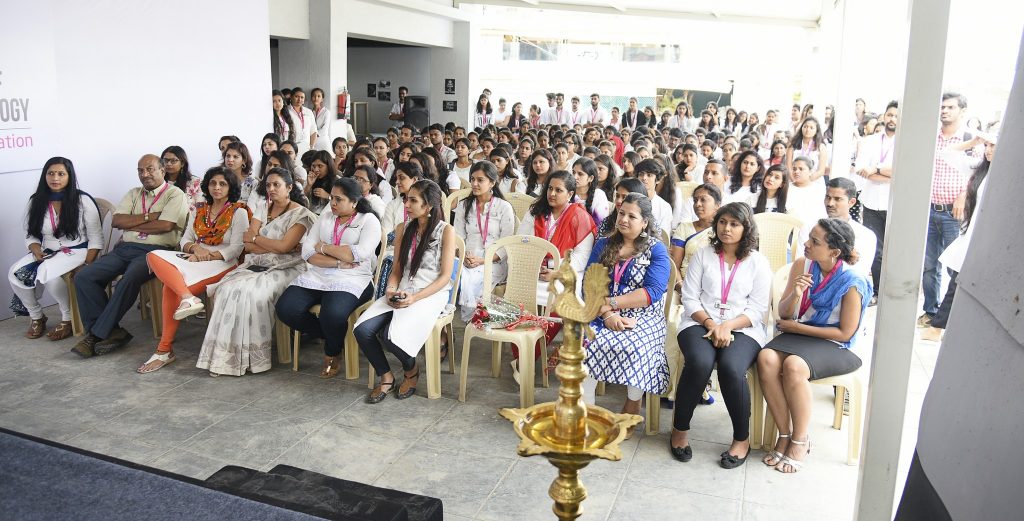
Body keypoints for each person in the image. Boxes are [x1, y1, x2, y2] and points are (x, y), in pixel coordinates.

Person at [758, 219, 872, 473]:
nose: (806, 244)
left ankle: (801, 439)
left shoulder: (852, 281)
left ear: (834, 252)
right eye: (809, 238)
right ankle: (784, 434)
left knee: (794, 366)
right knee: (766, 357)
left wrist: (798, 328)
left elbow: (845, 333)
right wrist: (796, 295)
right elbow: (784, 314)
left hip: (836, 344)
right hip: (800, 334)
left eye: (815, 242)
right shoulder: (803, 264)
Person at [670, 202, 772, 468]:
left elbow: (758, 309)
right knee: (700, 363)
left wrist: (727, 326)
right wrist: (712, 324)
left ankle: (741, 439)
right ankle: (680, 430)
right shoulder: (704, 255)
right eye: (723, 222)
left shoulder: (758, 262)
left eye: (734, 224)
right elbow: (690, 298)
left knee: (731, 367)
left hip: (744, 327)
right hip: (698, 322)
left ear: (746, 228)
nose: (727, 228)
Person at [196, 167, 315, 377]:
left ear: (289, 187)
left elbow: (284, 248)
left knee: (252, 294)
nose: (271, 189)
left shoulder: (300, 213)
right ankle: (226, 358)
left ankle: (252, 359)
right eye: (268, 185)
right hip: (256, 263)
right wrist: (267, 243)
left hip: (288, 267)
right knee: (226, 289)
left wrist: (257, 239)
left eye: (276, 185)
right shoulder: (262, 206)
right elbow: (247, 245)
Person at [71, 155, 188, 357]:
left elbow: (165, 225)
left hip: (158, 252)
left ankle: (96, 335)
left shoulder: (174, 194)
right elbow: (117, 221)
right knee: (84, 277)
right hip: (126, 248)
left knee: (129, 278)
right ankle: (112, 331)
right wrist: (149, 217)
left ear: (162, 170)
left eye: (150, 169)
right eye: (140, 170)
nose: (145, 174)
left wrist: (133, 222)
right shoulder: (134, 193)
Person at [139, 167, 251, 373]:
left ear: (231, 187)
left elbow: (236, 249)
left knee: (168, 289)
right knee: (153, 255)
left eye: (222, 184)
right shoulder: (200, 209)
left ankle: (164, 350)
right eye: (213, 183)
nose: (216, 187)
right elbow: (185, 240)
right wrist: (196, 248)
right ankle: (187, 297)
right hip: (193, 257)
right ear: (207, 186)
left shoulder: (239, 211)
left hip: (222, 262)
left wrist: (207, 255)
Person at [355, 180, 456, 403]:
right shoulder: (403, 228)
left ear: (428, 206)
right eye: (406, 199)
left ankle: (410, 370)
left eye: (413, 200)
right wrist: (391, 290)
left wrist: (415, 298)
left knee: (391, 336)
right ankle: (387, 376)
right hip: (403, 290)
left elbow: (444, 277)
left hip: (430, 294)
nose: (407, 204)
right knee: (362, 330)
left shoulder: (446, 231)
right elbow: (398, 269)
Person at [276, 177, 381, 379]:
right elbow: (307, 251)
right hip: (319, 274)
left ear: (354, 202)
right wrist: (337, 260)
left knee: (332, 315)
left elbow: (359, 255)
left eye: (338, 199)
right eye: (331, 198)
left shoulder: (368, 221)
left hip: (353, 278)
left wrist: (323, 248)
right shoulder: (326, 217)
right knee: (286, 309)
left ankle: (332, 352)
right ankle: (333, 336)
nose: (332, 203)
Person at [582, 193, 671, 424]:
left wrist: (613, 304)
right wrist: (608, 313)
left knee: (636, 347)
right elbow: (590, 283)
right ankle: (586, 410)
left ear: (644, 223)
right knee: (584, 344)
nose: (624, 219)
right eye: (622, 213)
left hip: (643, 315)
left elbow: (652, 293)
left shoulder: (656, 249)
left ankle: (633, 402)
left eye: (632, 216)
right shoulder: (604, 244)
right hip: (601, 309)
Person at [9, 157, 103, 341]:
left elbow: (96, 238)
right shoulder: (36, 200)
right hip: (48, 252)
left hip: (78, 251)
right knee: (13, 273)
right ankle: (37, 316)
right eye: (51, 173)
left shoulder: (82, 200)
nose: (55, 178)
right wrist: (35, 249)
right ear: (45, 175)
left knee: (48, 274)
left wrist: (88, 263)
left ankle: (67, 319)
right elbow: (31, 235)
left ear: (69, 176)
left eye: (61, 174)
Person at [517, 170, 597, 375]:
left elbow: (581, 258)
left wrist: (555, 270)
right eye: (550, 188)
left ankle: (529, 356)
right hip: (532, 270)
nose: (552, 193)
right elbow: (521, 243)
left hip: (564, 273)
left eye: (558, 190)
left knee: (560, 298)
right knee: (521, 297)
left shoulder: (581, 217)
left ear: (570, 194)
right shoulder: (535, 212)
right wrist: (535, 266)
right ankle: (522, 355)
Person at [921, 131, 995, 342]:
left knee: (959, 278)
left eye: (993, 145)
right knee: (957, 276)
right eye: (987, 145)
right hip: (970, 233)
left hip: (985, 237)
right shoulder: (980, 168)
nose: (988, 150)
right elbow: (946, 153)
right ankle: (939, 326)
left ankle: (939, 326)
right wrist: (973, 142)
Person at [920, 92, 979, 328]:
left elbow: (977, 173)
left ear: (962, 111)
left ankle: (948, 315)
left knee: (954, 266)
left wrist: (964, 196)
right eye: (942, 107)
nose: (944, 111)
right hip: (930, 209)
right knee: (929, 265)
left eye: (950, 107)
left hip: (954, 214)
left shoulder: (969, 139)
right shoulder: (932, 138)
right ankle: (930, 311)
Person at [454, 162, 516, 322]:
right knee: (451, 272)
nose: (474, 184)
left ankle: (471, 321)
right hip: (467, 259)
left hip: (494, 262)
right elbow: (459, 238)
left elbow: (506, 244)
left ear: (492, 183)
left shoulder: (503, 207)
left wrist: (482, 260)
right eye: (472, 179)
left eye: (480, 180)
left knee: (471, 278)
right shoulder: (464, 205)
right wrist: (464, 257)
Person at [855, 100, 898, 299]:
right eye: (890, 115)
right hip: (872, 202)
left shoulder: (907, 143)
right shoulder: (870, 141)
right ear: (884, 116)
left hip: (896, 203)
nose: (893, 119)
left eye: (897, 116)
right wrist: (888, 173)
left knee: (896, 249)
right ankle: (879, 292)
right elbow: (862, 169)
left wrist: (876, 169)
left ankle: (895, 291)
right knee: (876, 248)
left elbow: (905, 172)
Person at [822, 178, 876, 277]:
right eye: (828, 197)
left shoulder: (866, 236)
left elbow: (859, 273)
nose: (830, 204)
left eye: (837, 199)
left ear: (851, 202)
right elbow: (805, 267)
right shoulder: (811, 228)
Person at [670, 183, 721, 277]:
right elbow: (674, 265)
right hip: (683, 283)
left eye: (703, 200)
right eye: (695, 200)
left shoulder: (722, 231)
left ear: (717, 205)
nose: (697, 204)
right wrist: (680, 285)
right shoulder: (684, 228)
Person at [633, 159, 673, 235]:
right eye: (641, 174)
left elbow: (663, 236)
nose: (644, 178)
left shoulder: (664, 207)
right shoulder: (629, 200)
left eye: (649, 175)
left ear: (658, 180)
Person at [786, 157, 827, 230]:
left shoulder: (819, 189)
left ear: (810, 171)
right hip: (790, 229)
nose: (796, 172)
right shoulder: (786, 188)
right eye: (794, 169)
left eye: (801, 169)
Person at [160, 146, 204, 213]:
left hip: (189, 221)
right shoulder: (158, 182)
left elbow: (201, 208)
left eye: (173, 161)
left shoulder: (195, 183)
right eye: (165, 160)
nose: (168, 164)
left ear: (182, 163)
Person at [785, 116, 829, 184]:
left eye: (811, 128)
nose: (807, 130)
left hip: (814, 182)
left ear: (816, 130)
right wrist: (795, 181)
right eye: (805, 127)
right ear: (801, 128)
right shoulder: (792, 145)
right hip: (794, 181)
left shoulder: (821, 147)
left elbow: (821, 171)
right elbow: (788, 166)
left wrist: (806, 182)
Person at [572, 157, 611, 226]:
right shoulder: (568, 192)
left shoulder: (598, 195)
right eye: (573, 172)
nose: (575, 177)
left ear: (591, 178)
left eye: (580, 174)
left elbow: (600, 225)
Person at [305, 150, 338, 214]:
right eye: (313, 166)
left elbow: (342, 203)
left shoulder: (338, 181)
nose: (316, 170)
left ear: (328, 166)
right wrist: (309, 185)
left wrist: (328, 196)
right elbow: (302, 201)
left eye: (320, 166)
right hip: (311, 215)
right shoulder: (310, 178)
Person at [287, 88, 317, 156]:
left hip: (307, 148)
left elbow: (313, 131)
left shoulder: (308, 112)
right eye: (296, 96)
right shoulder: (286, 111)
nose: (299, 99)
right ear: (291, 97)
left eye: (302, 97)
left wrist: (311, 147)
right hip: (292, 148)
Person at [310, 87, 332, 152]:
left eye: (319, 96)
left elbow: (324, 129)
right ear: (311, 98)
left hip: (323, 142)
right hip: (312, 143)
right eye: (314, 96)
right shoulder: (309, 112)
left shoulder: (326, 112)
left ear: (322, 99)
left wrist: (313, 135)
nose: (316, 98)